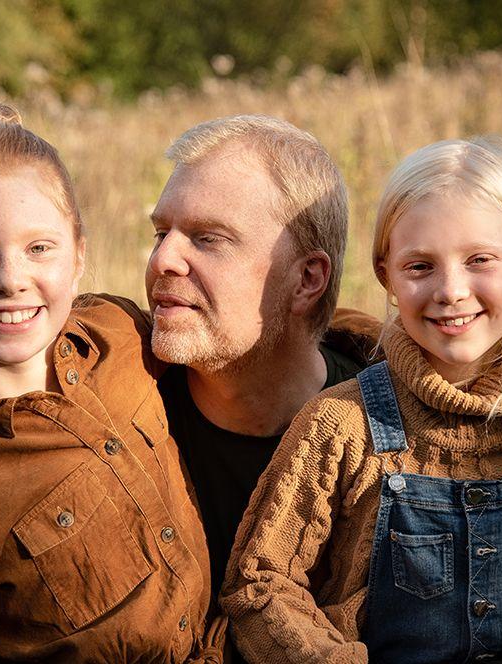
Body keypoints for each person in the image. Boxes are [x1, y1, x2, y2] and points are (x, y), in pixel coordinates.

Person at [220, 136, 502, 663]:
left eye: (479, 259)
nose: (451, 290)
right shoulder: (340, 423)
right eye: (420, 266)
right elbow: (260, 586)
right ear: (387, 275)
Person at [0, 103, 210, 663]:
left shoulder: (117, 332)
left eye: (39, 248)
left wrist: (355, 342)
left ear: (78, 256)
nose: (10, 279)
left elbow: (227, 333)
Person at [145, 115, 379, 660]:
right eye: (160, 233)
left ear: (307, 279)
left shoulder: (398, 435)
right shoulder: (115, 420)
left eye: (209, 239)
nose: (162, 260)